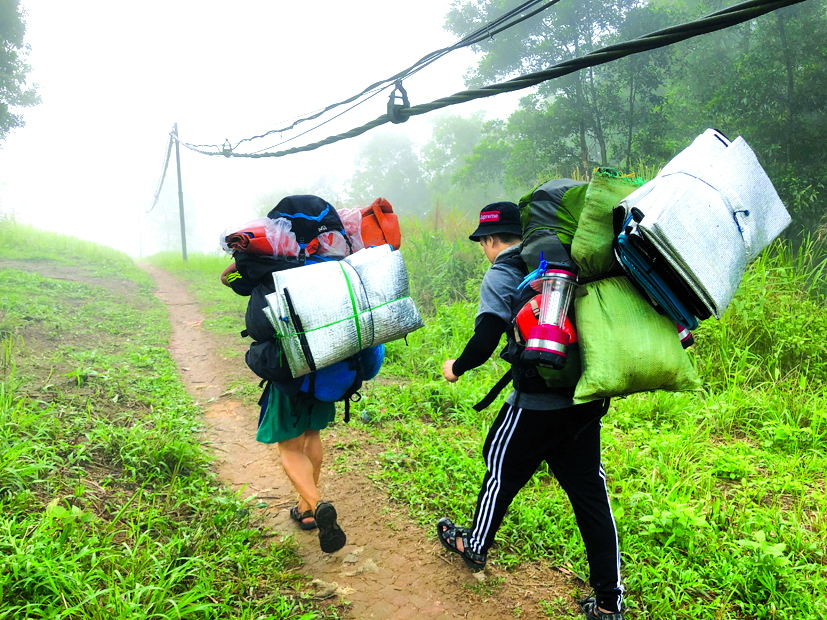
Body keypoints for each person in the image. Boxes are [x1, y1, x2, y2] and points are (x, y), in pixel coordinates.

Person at [436, 201, 625, 620]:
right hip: (583, 401)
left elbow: (485, 338)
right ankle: (611, 600)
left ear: (489, 240)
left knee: (500, 466)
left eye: (482, 242)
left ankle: (475, 545)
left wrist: (457, 368)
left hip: (536, 404)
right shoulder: (568, 258)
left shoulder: (503, 271)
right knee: (590, 494)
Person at [220, 258, 346, 554]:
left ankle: (316, 505)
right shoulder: (325, 257)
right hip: (325, 364)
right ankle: (305, 508)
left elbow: (228, 279)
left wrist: (243, 258)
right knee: (312, 436)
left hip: (289, 369)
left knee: (290, 448)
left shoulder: (264, 263)